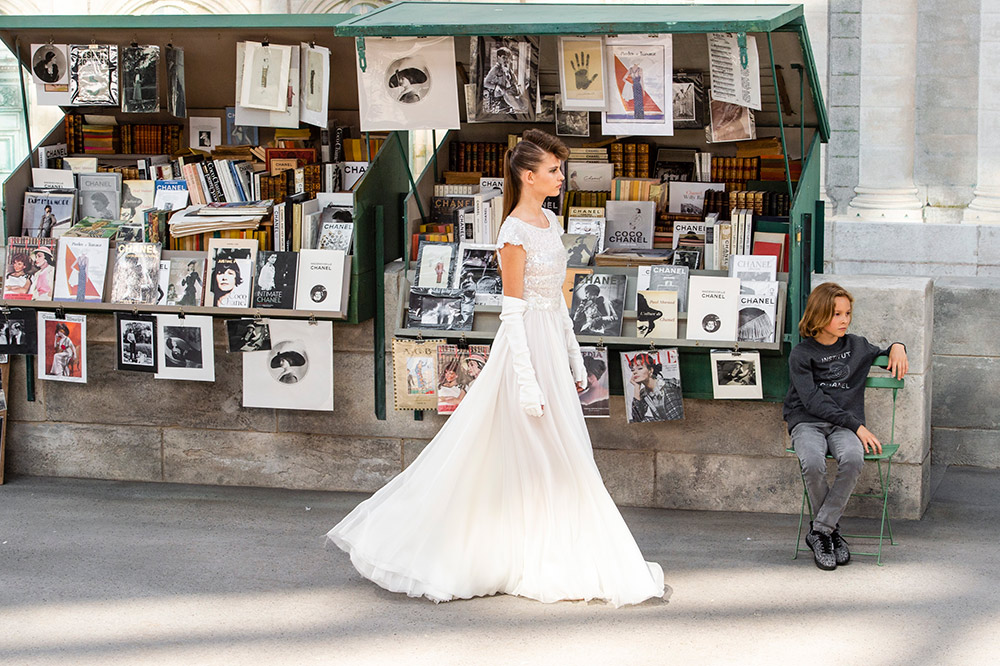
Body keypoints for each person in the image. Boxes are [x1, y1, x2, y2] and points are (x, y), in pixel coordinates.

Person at [326, 129, 664, 607]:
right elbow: (514, 311)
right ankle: (519, 552)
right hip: (523, 351)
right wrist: (527, 383)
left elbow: (558, 301)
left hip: (550, 342)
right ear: (528, 176)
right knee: (534, 452)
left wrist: (573, 360)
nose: (561, 177)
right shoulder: (512, 232)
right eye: (553, 170)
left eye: (559, 169)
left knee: (562, 453)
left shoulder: (550, 220)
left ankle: (548, 549)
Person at [784, 282, 908, 571]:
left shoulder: (857, 346)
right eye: (836, 314)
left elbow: (886, 350)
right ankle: (830, 532)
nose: (844, 320)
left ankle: (821, 531)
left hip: (843, 427)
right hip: (808, 422)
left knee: (853, 458)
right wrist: (858, 426)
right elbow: (813, 401)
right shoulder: (802, 354)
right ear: (818, 316)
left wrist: (899, 347)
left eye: (847, 313)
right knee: (813, 462)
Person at [627, 352, 683, 422]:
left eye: (640, 368)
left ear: (650, 370)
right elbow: (636, 419)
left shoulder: (669, 384)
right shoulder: (643, 394)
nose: (634, 372)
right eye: (633, 370)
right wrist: (636, 387)